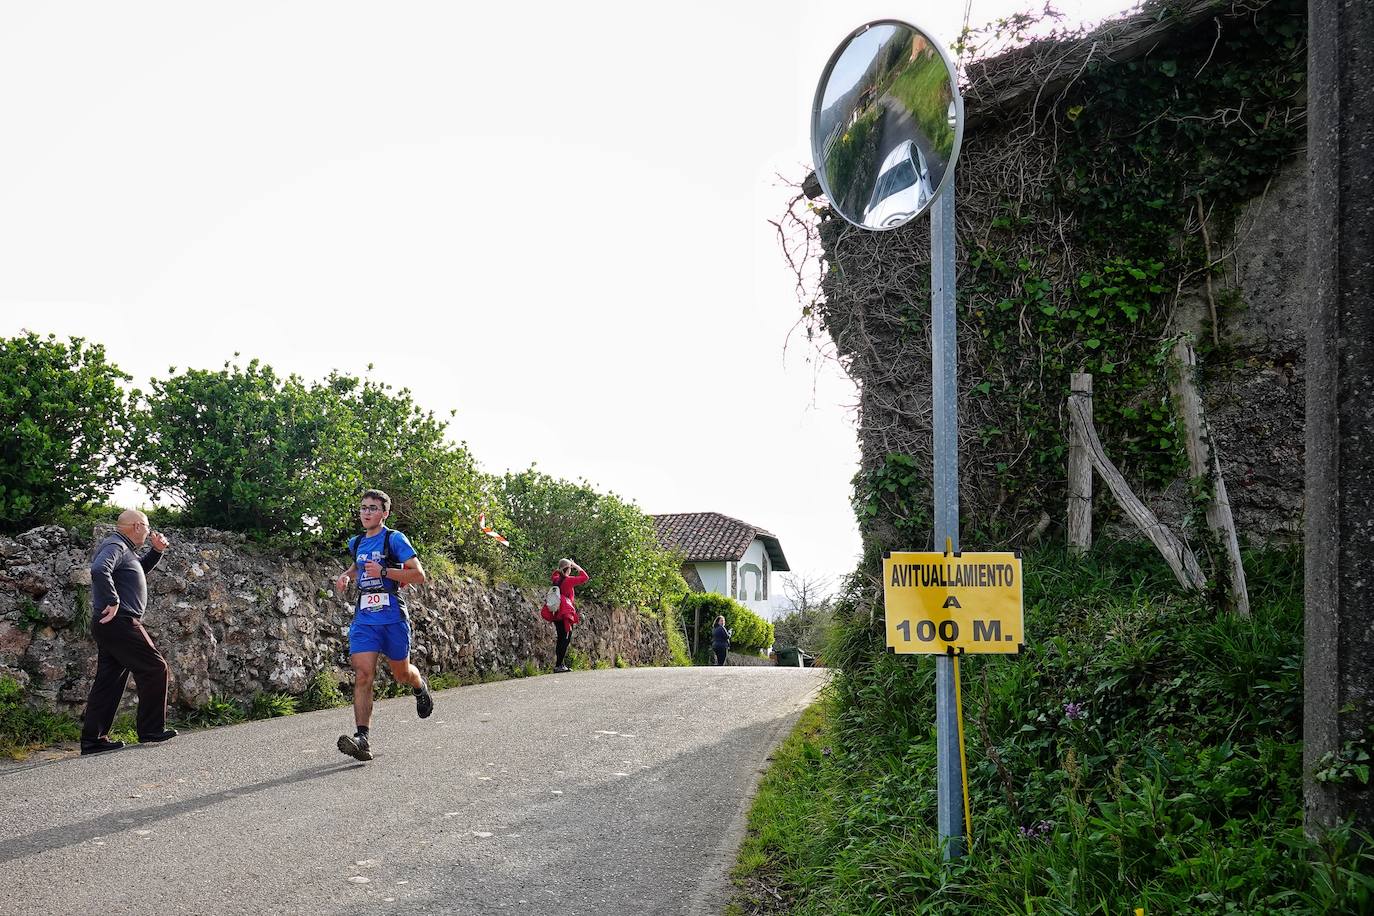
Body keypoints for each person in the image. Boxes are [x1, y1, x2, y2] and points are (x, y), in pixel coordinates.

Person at [332, 489, 432, 762]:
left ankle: (419, 684)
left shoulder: (394, 539)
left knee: (401, 674)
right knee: (363, 675)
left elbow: (419, 575)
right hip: (365, 618)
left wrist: (386, 571)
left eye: (373, 508)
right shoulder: (356, 542)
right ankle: (362, 739)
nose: (366, 512)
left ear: (384, 513)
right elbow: (359, 565)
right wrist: (347, 575)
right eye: (363, 507)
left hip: (392, 618)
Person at [80, 510, 177, 755]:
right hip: (120, 621)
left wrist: (156, 551)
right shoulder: (115, 545)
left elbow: (138, 572)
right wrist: (112, 599)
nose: (148, 530)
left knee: (109, 681)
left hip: (112, 624)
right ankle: (151, 730)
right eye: (146, 526)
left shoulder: (125, 549)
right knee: (155, 667)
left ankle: (94, 740)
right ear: (136, 526)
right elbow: (99, 569)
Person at [548, 558, 588, 673]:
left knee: (561, 638)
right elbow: (585, 577)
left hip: (556, 612)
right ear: (568, 569)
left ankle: (560, 664)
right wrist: (576, 565)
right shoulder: (568, 581)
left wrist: (564, 566)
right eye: (570, 568)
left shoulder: (556, 579)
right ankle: (559, 665)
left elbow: (555, 573)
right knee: (565, 639)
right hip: (565, 615)